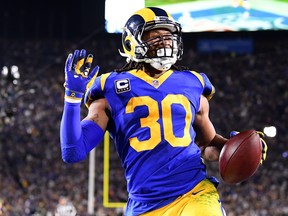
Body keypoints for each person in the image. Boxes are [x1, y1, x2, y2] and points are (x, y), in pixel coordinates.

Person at [60, 7, 267, 215]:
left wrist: (236, 147)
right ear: (131, 42)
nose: (165, 41)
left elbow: (208, 144)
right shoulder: (110, 87)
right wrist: (72, 97)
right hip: (144, 205)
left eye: (168, 36)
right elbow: (73, 151)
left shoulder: (193, 83)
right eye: (155, 36)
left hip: (193, 193)